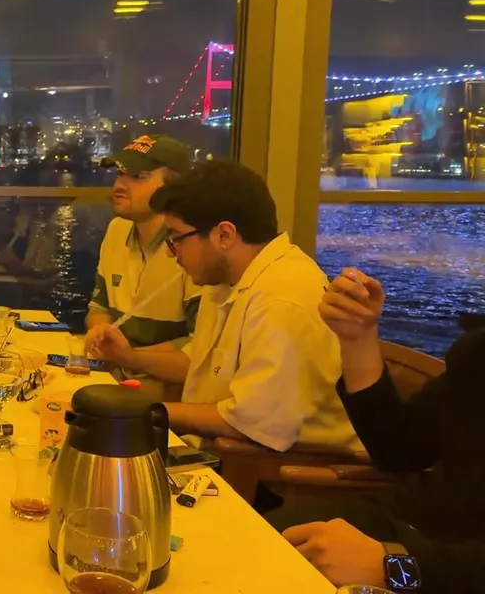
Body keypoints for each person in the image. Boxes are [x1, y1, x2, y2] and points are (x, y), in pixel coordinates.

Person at [87, 160, 358, 452]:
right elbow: (202, 372)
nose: (171, 254)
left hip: (273, 471)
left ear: (224, 235)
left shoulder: (281, 299)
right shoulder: (227, 282)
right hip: (220, 449)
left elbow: (251, 421)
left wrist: (143, 412)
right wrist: (127, 362)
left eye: (176, 239)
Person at [267, 269, 485, 592]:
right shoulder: (477, 355)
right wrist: (357, 339)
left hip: (441, 571)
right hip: (403, 529)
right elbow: (398, 450)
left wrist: (392, 566)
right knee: (246, 541)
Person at [85, 134, 201, 401]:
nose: (120, 185)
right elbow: (99, 306)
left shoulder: (194, 246)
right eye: (120, 173)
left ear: (173, 187)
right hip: (115, 376)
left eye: (139, 176)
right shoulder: (117, 229)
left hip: (168, 396)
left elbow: (202, 352)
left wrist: (129, 357)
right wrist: (100, 332)